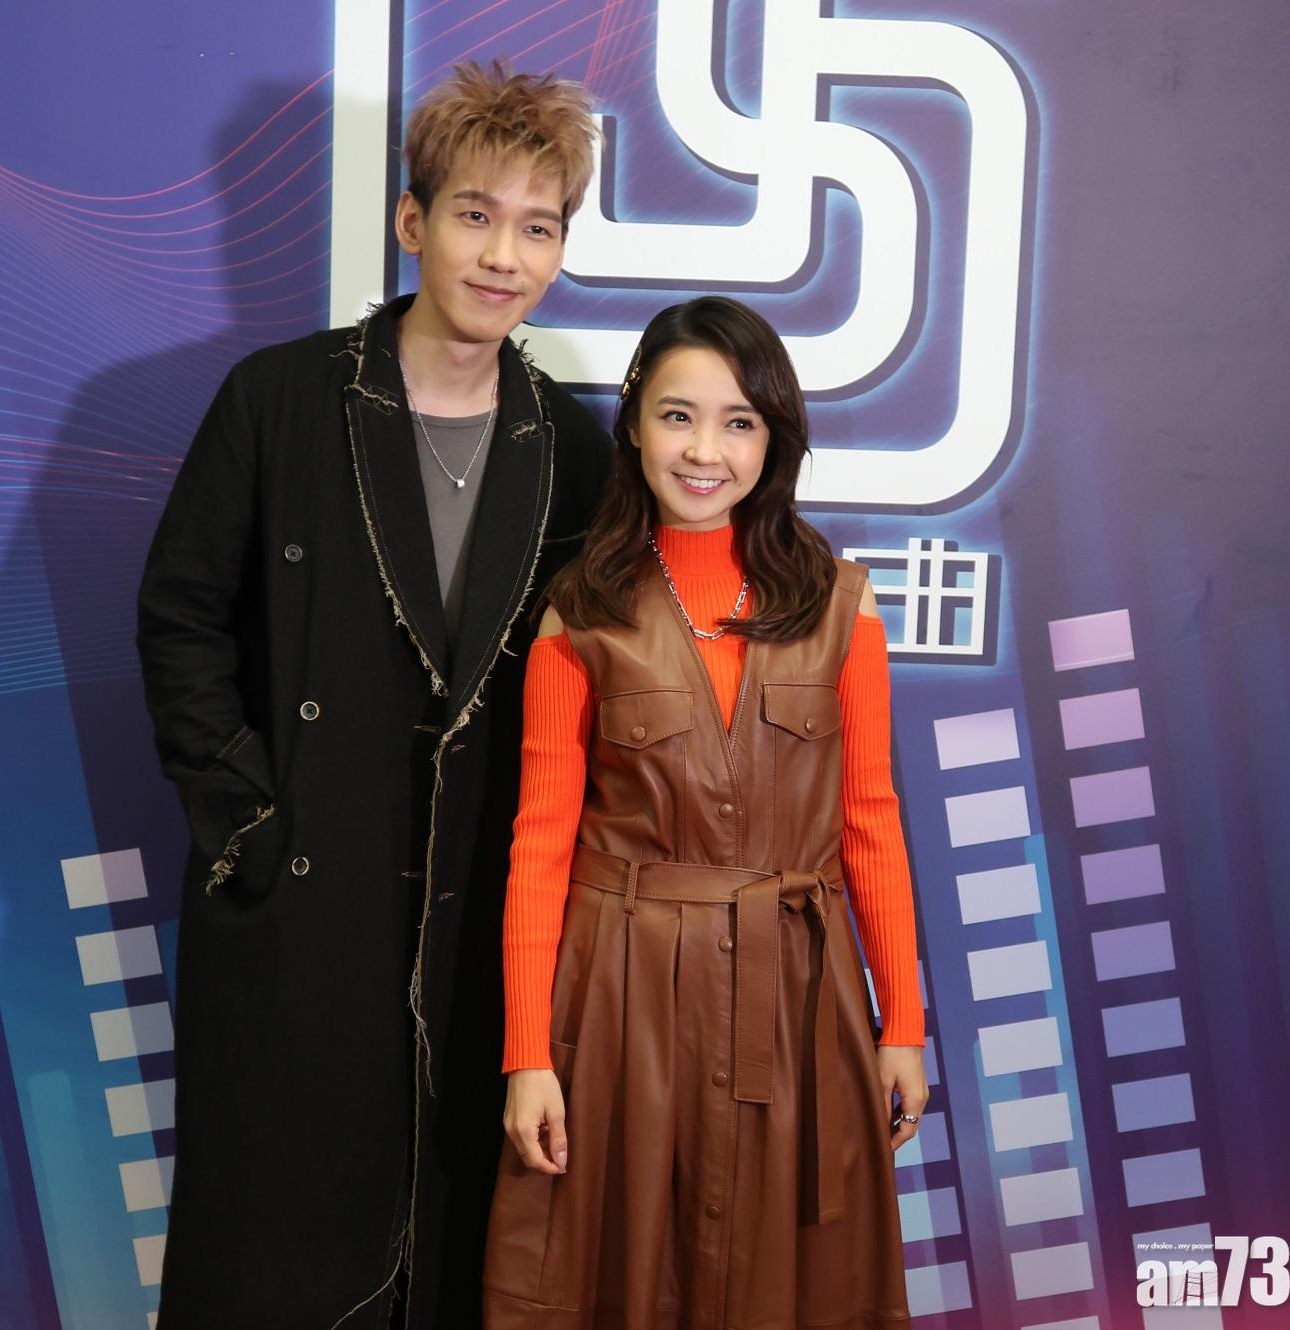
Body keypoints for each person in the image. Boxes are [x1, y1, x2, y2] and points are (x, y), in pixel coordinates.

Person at [136, 63, 611, 1328]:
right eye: (474, 214)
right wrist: (250, 821)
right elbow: (180, 615)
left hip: (476, 919)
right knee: (270, 1261)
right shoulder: (281, 399)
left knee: (446, 1255)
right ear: (413, 221)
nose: (503, 256)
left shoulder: (571, 450)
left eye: (538, 226)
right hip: (302, 903)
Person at [484, 297, 929, 1328]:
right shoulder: (578, 612)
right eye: (678, 416)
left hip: (799, 1001)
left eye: (739, 423)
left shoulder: (842, 604)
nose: (704, 451)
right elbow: (540, 844)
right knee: (617, 1278)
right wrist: (527, 1055)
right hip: (621, 1002)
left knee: (795, 1284)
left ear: (774, 440)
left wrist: (900, 1025)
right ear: (634, 424)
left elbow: (870, 821)